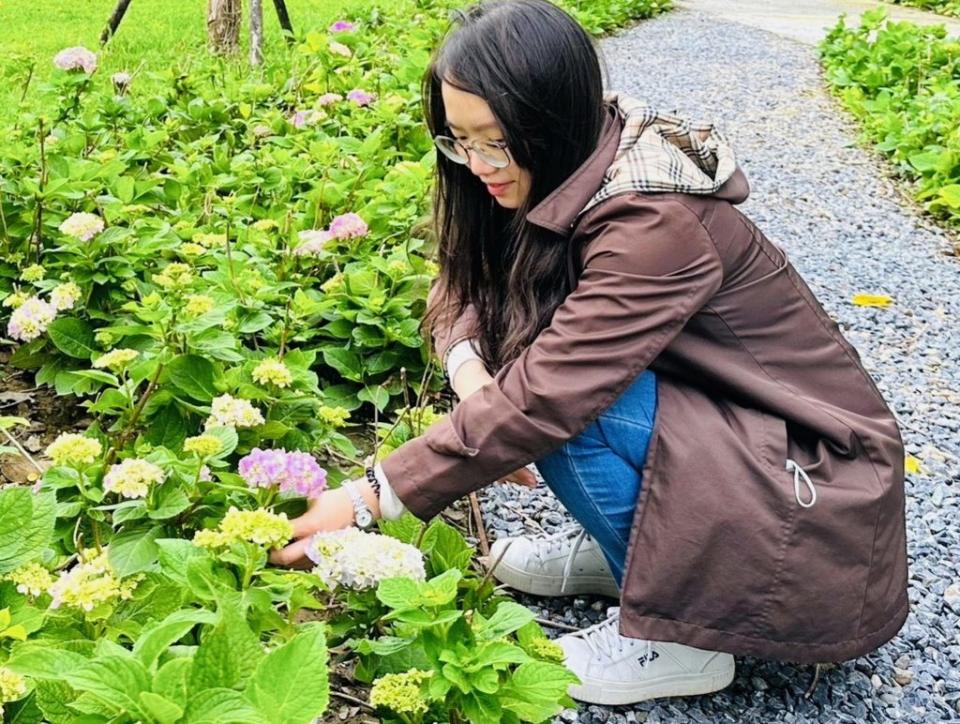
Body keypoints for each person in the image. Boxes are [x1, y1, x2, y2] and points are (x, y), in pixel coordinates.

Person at [272, 0, 909, 706]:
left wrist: (366, 498)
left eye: (496, 141)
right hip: (736, 435)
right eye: (459, 140)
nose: (479, 163)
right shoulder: (554, 159)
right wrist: (472, 376)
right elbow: (458, 281)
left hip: (817, 485)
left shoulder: (651, 220)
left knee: (565, 406)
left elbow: (553, 394)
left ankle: (681, 641)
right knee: (523, 390)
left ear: (551, 120)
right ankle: (643, 561)